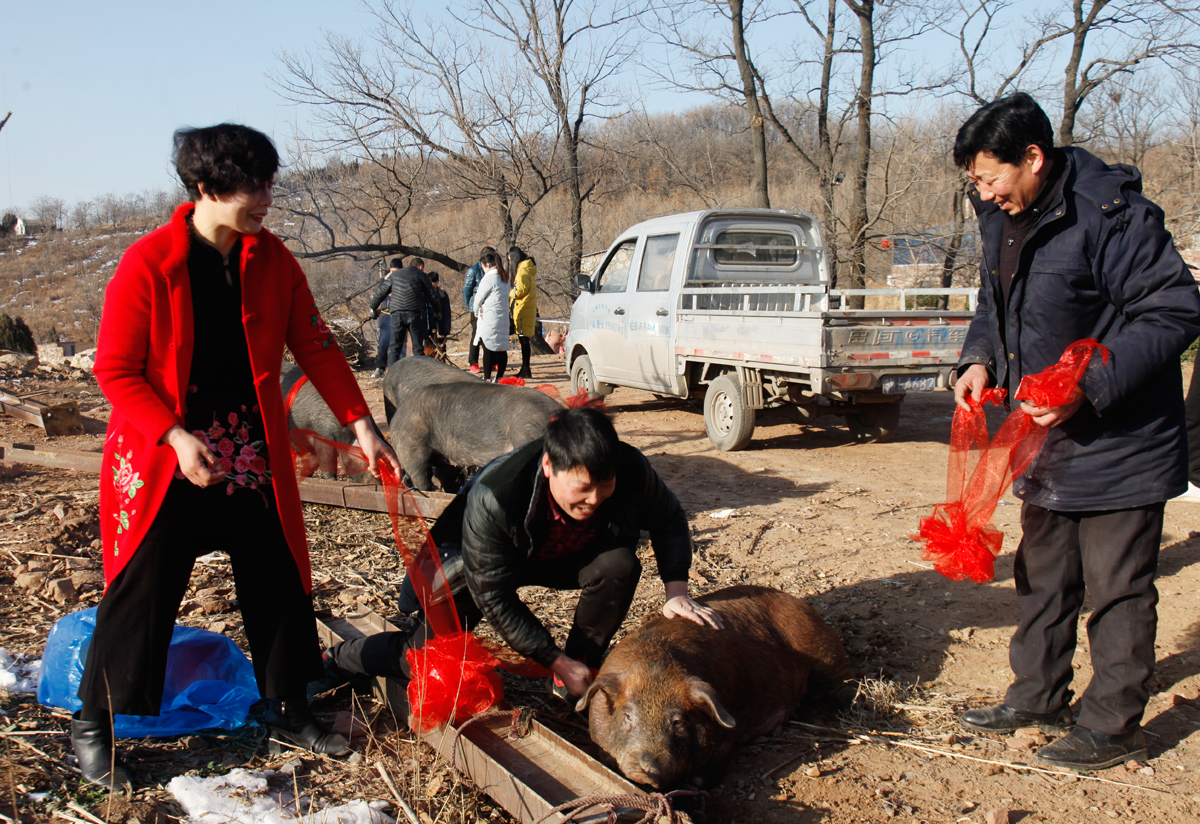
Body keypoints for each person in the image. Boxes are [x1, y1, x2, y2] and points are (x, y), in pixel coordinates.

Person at [77, 124, 401, 791]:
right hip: (166, 452)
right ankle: (95, 724)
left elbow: (316, 347)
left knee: (276, 572)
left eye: (270, 183)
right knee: (143, 588)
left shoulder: (273, 260)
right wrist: (172, 435)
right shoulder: (149, 263)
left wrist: (361, 423)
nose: (267, 200)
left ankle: (286, 705)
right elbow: (115, 371)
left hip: (246, 452)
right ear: (206, 188)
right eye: (254, 186)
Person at [951, 93, 1200, 771]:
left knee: (1116, 587)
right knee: (1044, 575)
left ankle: (1113, 724)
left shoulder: (1109, 214)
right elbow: (993, 300)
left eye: (989, 177)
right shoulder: (1001, 214)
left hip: (1123, 437)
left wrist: (1087, 387)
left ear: (1033, 158)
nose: (983, 192)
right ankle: (1036, 695)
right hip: (1045, 436)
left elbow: (1175, 310)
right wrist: (979, 357)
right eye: (974, 181)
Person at [320, 405, 722, 701]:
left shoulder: (629, 469)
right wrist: (550, 656)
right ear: (549, 465)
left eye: (605, 486)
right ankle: (339, 659)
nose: (595, 500)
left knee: (619, 563)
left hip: (565, 553)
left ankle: (576, 675)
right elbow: (492, 593)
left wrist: (676, 591)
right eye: (582, 489)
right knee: (421, 659)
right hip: (476, 566)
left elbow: (668, 518)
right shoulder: (495, 496)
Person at [370, 256, 440, 366]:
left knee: (394, 348)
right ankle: (418, 377)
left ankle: (392, 377)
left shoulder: (395, 275)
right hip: (414, 314)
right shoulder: (422, 275)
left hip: (397, 313)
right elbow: (432, 296)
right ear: (420, 266)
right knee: (417, 348)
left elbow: (381, 292)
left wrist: (373, 308)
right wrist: (437, 312)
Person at [473, 251, 511, 381]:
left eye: (483, 266)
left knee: (488, 348)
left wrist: (475, 310)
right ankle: (499, 376)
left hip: (490, 318)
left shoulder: (489, 278)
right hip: (503, 318)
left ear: (487, 264)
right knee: (501, 349)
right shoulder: (504, 277)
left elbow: (478, 298)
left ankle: (487, 377)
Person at [462, 246, 494, 374]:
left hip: (489, 307)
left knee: (490, 334)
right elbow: (466, 291)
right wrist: (471, 306)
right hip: (476, 308)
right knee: (477, 335)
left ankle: (492, 361)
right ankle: (473, 362)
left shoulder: (493, 270)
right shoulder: (473, 271)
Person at [508, 246, 538, 379]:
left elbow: (520, 291)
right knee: (524, 340)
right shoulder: (526, 269)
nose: (509, 264)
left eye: (510, 261)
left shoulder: (523, 272)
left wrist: (507, 293)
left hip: (523, 310)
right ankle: (525, 368)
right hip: (525, 309)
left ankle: (526, 369)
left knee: (524, 341)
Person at [371, 259, 400, 378]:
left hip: (399, 315)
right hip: (385, 315)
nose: (394, 274)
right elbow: (379, 294)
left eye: (396, 272)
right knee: (383, 343)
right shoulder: (385, 280)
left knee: (399, 344)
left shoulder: (403, 279)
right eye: (393, 271)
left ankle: (397, 370)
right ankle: (380, 368)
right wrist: (373, 309)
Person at [425, 271, 453, 354]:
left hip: (440, 325)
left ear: (437, 282)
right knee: (428, 347)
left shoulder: (443, 295)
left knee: (441, 347)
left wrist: (446, 328)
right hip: (428, 325)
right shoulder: (424, 294)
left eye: (433, 282)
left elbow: (447, 312)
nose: (432, 284)